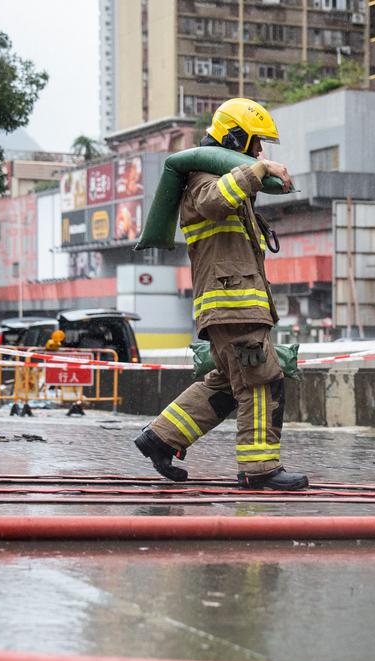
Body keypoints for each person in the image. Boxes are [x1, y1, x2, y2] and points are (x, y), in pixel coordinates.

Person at [134, 98, 308, 491]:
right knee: (263, 381)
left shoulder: (217, 175)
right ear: (234, 137)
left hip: (232, 306)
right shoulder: (200, 178)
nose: (259, 152)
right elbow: (214, 202)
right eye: (255, 144)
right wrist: (257, 171)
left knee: (228, 384)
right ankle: (260, 469)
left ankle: (161, 438)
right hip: (232, 305)